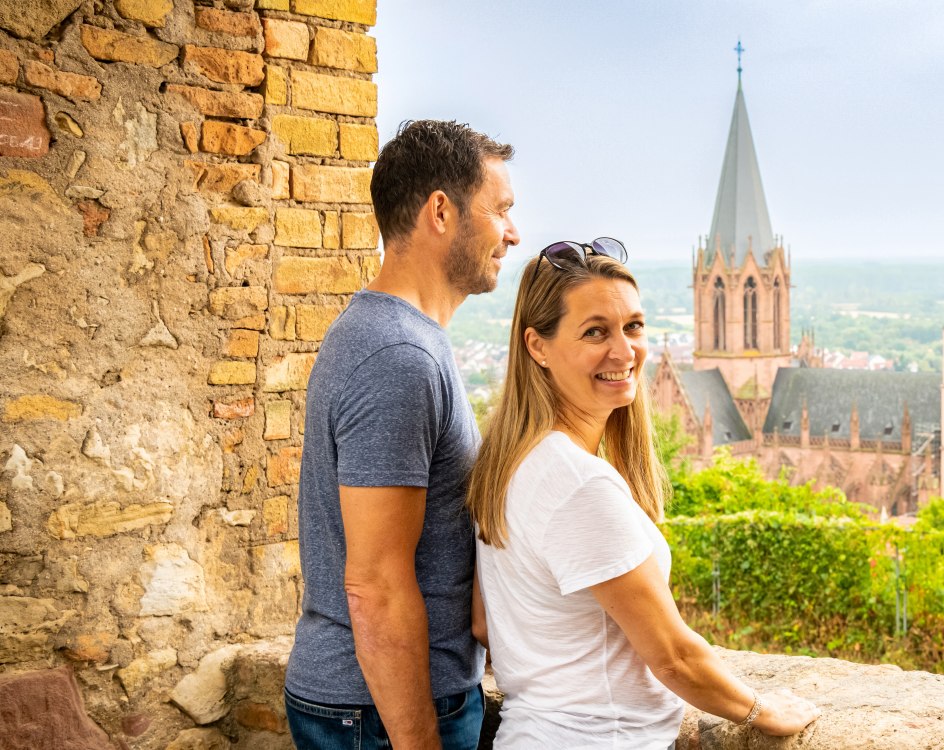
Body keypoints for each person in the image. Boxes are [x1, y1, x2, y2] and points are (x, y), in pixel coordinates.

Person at [468, 239, 820, 748]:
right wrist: (763, 710)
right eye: (595, 332)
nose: (624, 350)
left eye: (633, 326)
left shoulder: (509, 459)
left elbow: (485, 623)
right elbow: (674, 657)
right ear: (536, 346)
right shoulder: (580, 485)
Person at [285, 119, 519, 750]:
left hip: (374, 706)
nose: (513, 234)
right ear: (440, 212)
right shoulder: (396, 356)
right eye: (500, 211)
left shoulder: (400, 339)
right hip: (381, 715)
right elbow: (376, 584)